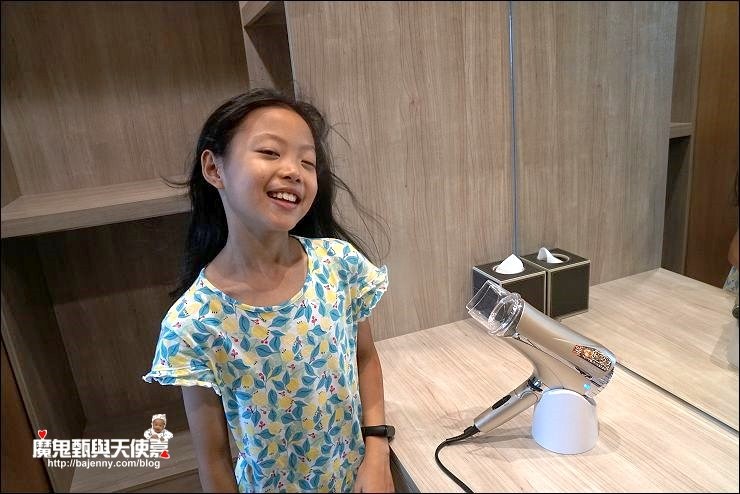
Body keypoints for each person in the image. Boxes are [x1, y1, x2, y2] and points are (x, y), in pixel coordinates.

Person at [142, 88, 393, 492]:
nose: (294, 170)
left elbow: (365, 358)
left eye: (307, 162)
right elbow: (213, 461)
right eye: (270, 152)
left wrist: (377, 451)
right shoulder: (192, 323)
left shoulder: (339, 265)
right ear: (214, 169)